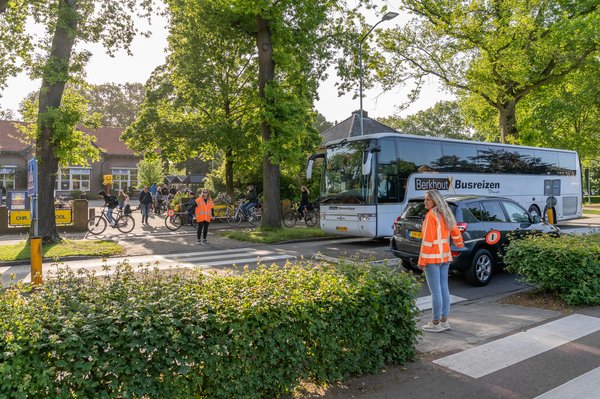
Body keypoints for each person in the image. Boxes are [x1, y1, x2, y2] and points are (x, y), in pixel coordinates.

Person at [418, 189, 465, 333]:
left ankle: (435, 322)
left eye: (428, 199)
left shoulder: (430, 216)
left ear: (435, 201)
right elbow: (455, 232)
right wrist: (460, 244)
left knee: (435, 292)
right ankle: (444, 321)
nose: (425, 202)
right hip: (445, 257)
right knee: (444, 289)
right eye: (425, 199)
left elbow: (427, 241)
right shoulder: (447, 213)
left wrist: (422, 261)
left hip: (432, 258)